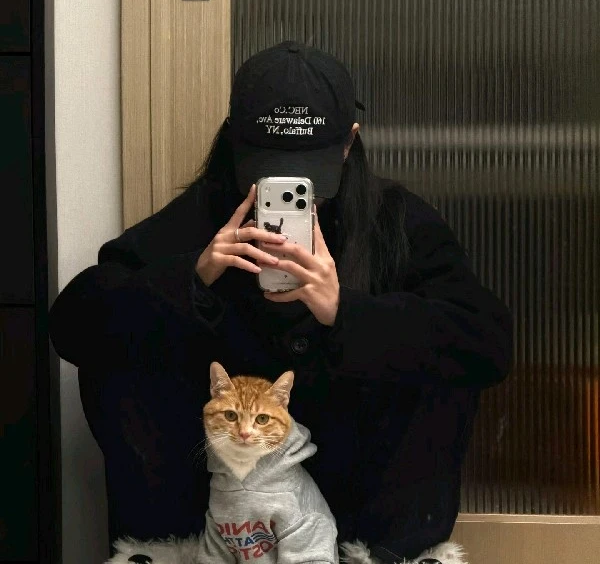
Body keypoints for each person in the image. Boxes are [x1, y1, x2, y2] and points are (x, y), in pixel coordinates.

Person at [49, 41, 512, 562]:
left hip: (362, 488)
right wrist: (191, 279)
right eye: (266, 168)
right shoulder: (201, 216)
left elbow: (487, 341)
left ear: (348, 143)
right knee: (121, 325)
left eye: (311, 171)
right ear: (233, 141)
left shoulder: (395, 219)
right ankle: (163, 551)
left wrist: (346, 313)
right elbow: (72, 324)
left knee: (438, 352)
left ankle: (389, 553)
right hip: (221, 495)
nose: (293, 187)